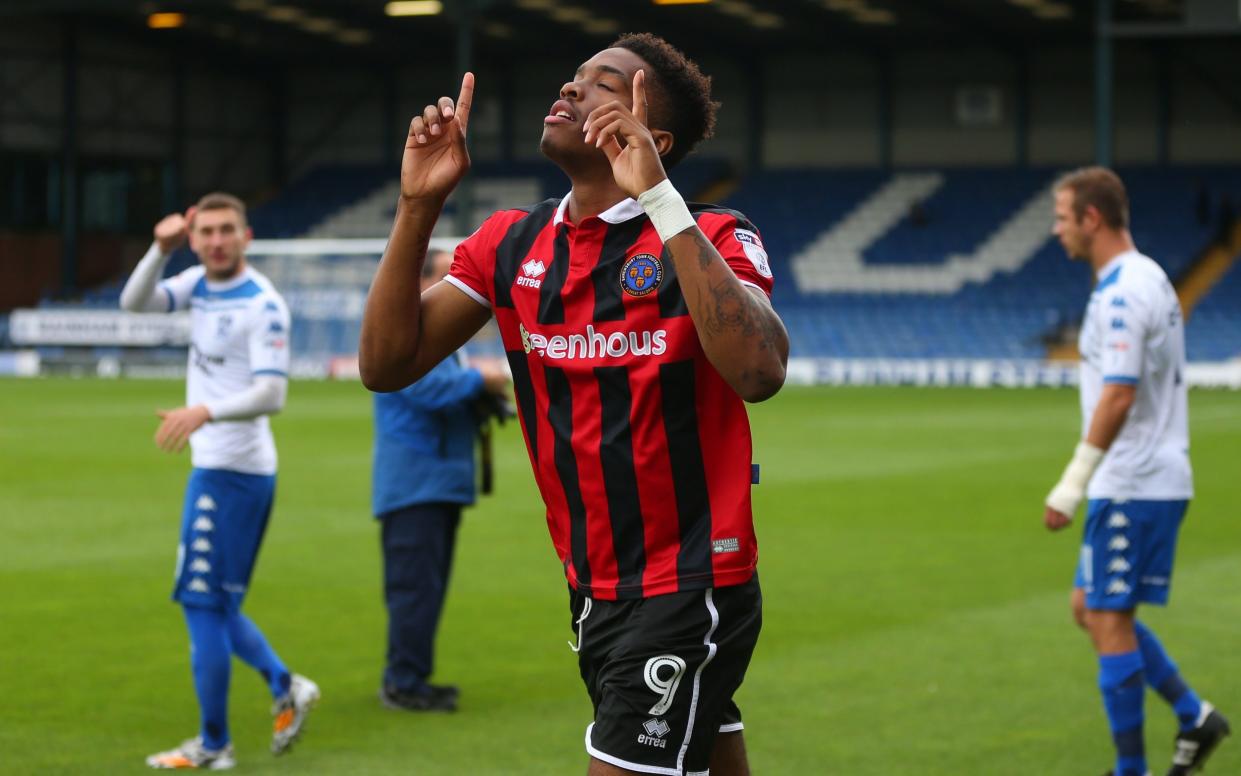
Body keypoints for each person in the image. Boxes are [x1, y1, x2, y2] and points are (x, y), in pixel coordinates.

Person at [359, 33, 788, 776]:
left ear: (651, 136)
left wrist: (658, 197)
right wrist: (416, 207)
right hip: (593, 582)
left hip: (689, 580)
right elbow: (386, 364)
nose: (570, 89)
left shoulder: (714, 235)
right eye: (573, 78)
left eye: (604, 84)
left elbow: (758, 370)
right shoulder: (510, 243)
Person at [119, 192, 319, 770]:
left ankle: (214, 744)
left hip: (232, 473)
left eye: (225, 230)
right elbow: (137, 303)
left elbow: (272, 393)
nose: (214, 241)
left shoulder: (263, 304)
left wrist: (205, 411)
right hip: (224, 470)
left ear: (245, 236)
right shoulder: (200, 285)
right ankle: (286, 686)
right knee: (217, 604)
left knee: (200, 603)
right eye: (204, 232)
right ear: (193, 237)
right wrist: (158, 251)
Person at [1044, 167, 1229, 776]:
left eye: (1063, 217)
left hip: (1135, 481)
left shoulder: (1124, 291)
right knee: (1087, 607)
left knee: (1107, 617)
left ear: (1092, 219)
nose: (1056, 229)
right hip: (1146, 475)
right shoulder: (1148, 277)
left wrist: (1071, 485)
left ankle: (1131, 771)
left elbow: (1119, 395)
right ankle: (1194, 716)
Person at [372, 248, 510, 713]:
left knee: (425, 587)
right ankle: (403, 683)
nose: (459, 282)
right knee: (414, 588)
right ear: (420, 280)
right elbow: (427, 391)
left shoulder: (437, 333)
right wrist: (482, 382)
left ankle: (413, 678)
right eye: (448, 273)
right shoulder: (405, 328)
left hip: (433, 481)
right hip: (415, 483)